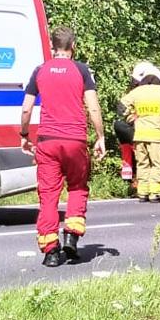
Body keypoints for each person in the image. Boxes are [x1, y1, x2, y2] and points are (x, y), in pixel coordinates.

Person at [19, 27, 107, 268]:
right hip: (75, 141)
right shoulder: (81, 70)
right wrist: (100, 136)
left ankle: (51, 251)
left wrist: (25, 134)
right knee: (78, 187)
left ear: (51, 46)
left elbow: (26, 108)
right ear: (73, 46)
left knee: (48, 197)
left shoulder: (40, 71)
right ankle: (71, 233)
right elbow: (93, 106)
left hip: (47, 141)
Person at [122, 62, 160, 202]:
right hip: (158, 136)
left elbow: (121, 108)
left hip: (140, 136)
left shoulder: (136, 92)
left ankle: (142, 193)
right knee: (158, 164)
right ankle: (155, 193)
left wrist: (131, 119)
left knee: (143, 164)